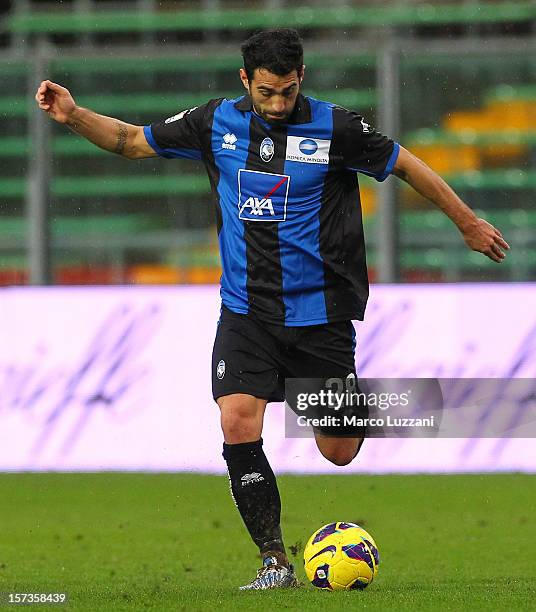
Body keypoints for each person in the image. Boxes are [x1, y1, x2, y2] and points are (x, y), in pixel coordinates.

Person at [35, 28, 509, 590]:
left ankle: (375, 403)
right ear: (245, 81)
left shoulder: (336, 127)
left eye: (287, 91)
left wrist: (468, 221)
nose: (279, 104)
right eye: (267, 93)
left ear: (300, 77)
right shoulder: (215, 123)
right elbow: (129, 140)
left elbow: (407, 165)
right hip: (246, 312)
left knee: (337, 451)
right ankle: (273, 562)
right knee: (238, 418)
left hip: (320, 314)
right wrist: (72, 114)